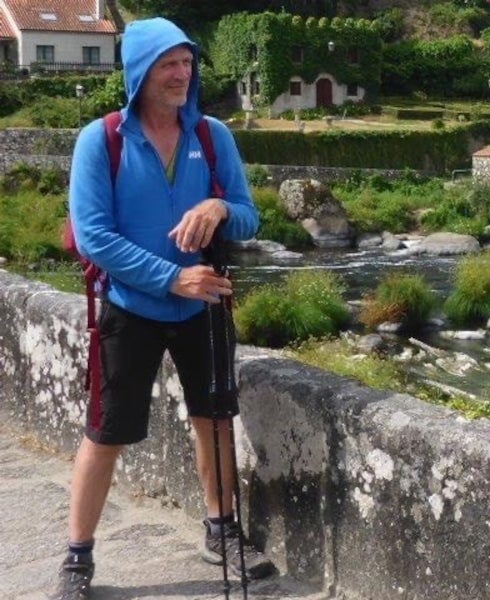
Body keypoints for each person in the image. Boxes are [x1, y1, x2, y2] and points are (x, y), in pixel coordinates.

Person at [57, 17, 274, 600]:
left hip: (204, 306)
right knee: (105, 432)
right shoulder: (100, 140)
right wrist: (171, 277)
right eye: (168, 64)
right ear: (139, 73)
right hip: (131, 307)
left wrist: (220, 209)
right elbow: (95, 235)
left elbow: (252, 215)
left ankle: (221, 530)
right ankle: (77, 559)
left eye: (187, 63)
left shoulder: (212, 136)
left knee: (215, 418)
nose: (182, 75)